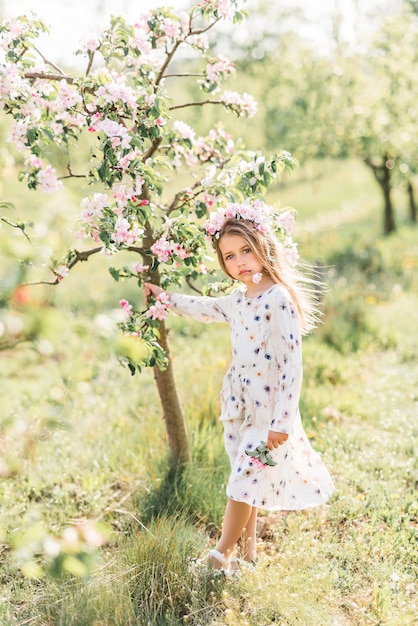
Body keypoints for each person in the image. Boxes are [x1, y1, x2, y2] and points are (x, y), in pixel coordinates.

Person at [144, 203, 334, 574]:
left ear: (262, 245)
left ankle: (219, 557)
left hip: (269, 413)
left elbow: (291, 366)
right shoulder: (237, 299)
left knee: (245, 479)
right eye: (230, 256)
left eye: (246, 250)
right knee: (243, 477)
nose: (239, 262)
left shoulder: (278, 298)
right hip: (238, 404)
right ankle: (248, 555)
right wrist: (165, 299)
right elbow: (204, 307)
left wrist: (282, 421)